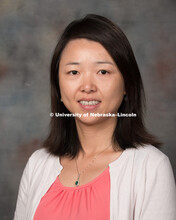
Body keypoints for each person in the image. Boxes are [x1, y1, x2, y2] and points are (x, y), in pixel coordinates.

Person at [14, 14, 176, 220]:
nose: (87, 87)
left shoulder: (151, 167)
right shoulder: (37, 164)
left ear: (127, 83)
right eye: (74, 72)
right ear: (58, 87)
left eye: (102, 71)